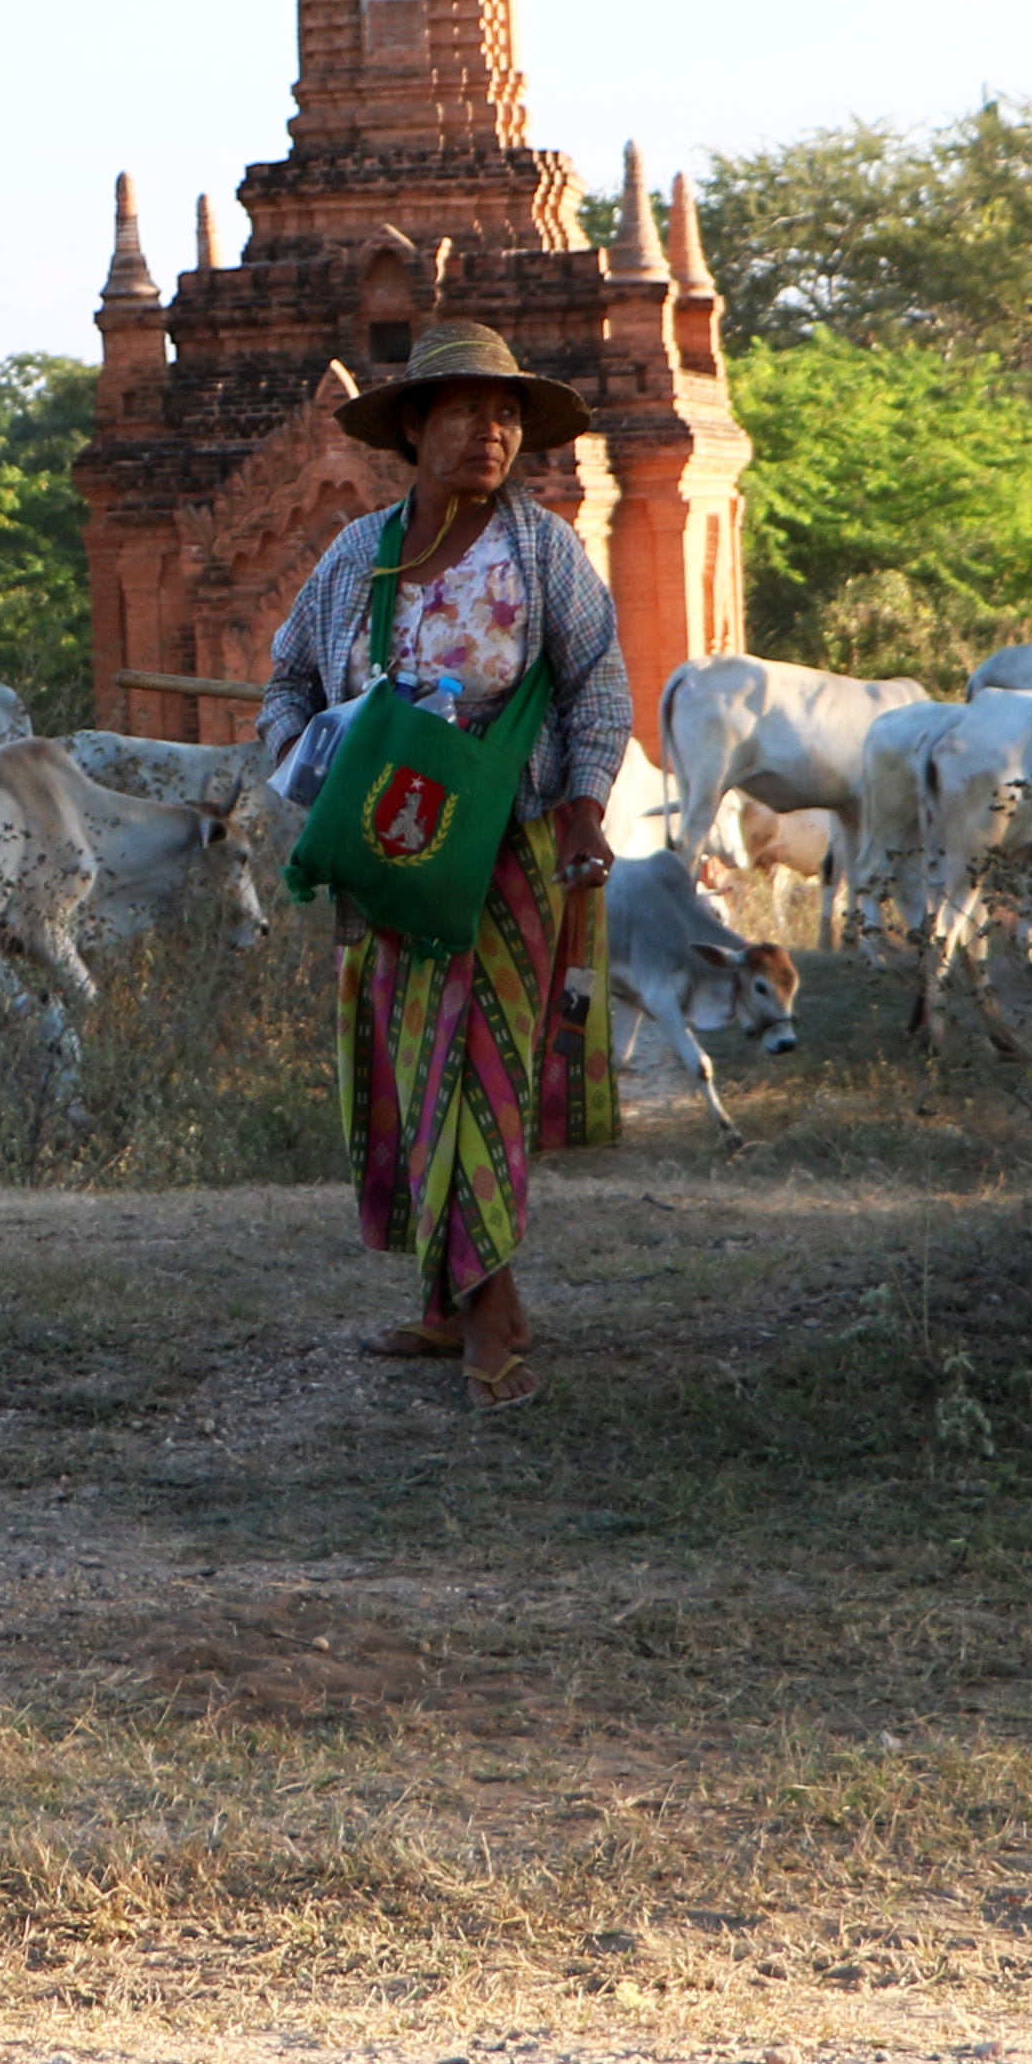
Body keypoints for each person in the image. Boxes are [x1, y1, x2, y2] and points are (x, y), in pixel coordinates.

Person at [257, 320, 630, 1410]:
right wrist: (311, 760)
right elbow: (286, 684)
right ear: (414, 426)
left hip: (507, 848)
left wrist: (585, 804)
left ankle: (493, 1309)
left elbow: (596, 680)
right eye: (465, 409)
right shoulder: (353, 558)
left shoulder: (543, 548)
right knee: (416, 1068)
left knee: (489, 1069)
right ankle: (444, 1298)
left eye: (508, 413)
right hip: (388, 857)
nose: (491, 431)